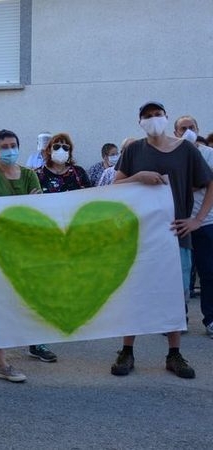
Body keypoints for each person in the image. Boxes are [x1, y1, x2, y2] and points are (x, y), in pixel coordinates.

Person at [111, 102, 213, 379]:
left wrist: (197, 220)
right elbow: (115, 186)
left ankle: (174, 353)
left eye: (158, 115)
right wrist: (137, 177)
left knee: (173, 295)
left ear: (167, 118)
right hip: (139, 234)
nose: (153, 119)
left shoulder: (186, 149)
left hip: (175, 233)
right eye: (147, 116)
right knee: (133, 293)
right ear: (140, 121)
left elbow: (209, 182)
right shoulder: (134, 150)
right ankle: (127, 350)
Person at [0, 129, 43, 380]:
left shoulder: (29, 174)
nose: (9, 150)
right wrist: (27, 203)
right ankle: (1, 362)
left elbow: (37, 209)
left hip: (26, 248)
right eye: (3, 146)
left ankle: (35, 342)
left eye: (13, 145)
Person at [173, 115, 213, 337]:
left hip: (206, 222)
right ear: (176, 132)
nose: (187, 130)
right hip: (180, 223)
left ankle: (211, 318)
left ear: (198, 129)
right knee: (180, 274)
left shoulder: (209, 155)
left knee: (209, 272)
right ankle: (180, 318)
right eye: (182, 128)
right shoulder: (173, 156)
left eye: (191, 127)